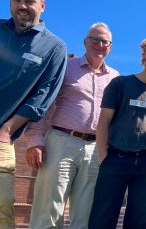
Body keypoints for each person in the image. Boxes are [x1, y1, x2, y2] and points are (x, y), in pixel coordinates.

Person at [21, 22, 118, 229]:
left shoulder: (115, 78)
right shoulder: (65, 67)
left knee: (85, 214)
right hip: (61, 142)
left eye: (105, 41)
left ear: (110, 46)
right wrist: (35, 140)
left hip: (95, 149)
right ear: (85, 42)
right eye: (94, 39)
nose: (99, 44)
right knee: (49, 209)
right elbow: (43, 104)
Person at [88, 35, 146, 229]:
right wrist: (104, 157)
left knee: (139, 220)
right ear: (145, 54)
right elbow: (103, 121)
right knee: (102, 217)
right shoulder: (120, 84)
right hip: (115, 158)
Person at [0, 0, 67, 229]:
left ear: (42, 5)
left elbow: (44, 94)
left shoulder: (54, 47)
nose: (22, 6)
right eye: (16, 0)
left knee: (2, 204)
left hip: (2, 136)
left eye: (29, 1)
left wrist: (7, 129)